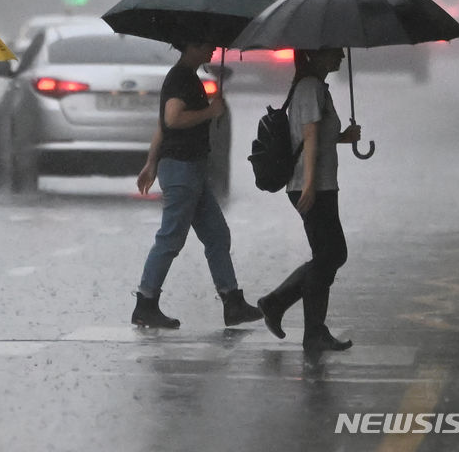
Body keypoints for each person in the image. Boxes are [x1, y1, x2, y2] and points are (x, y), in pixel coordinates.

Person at [131, 40, 262, 329]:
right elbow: (172, 119)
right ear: (188, 46)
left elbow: (161, 126)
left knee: (216, 234)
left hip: (190, 169)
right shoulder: (181, 78)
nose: (212, 48)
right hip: (181, 169)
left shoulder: (187, 78)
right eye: (205, 44)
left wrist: (152, 162)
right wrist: (210, 112)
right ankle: (145, 303)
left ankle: (233, 302)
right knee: (171, 238)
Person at [257, 47, 360, 356]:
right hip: (311, 185)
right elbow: (309, 137)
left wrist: (344, 136)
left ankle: (277, 304)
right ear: (315, 55)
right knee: (329, 254)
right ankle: (310, 329)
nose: (341, 56)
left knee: (330, 254)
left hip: (321, 184)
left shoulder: (314, 87)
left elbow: (317, 134)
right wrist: (311, 186)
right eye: (334, 52)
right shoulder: (310, 87)